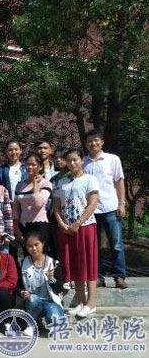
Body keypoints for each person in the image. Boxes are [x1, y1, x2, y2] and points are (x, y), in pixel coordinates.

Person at [53, 148, 99, 318]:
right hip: (66, 229)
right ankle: (80, 301)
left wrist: (78, 223)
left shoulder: (90, 179)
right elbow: (56, 207)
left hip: (85, 227)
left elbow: (92, 204)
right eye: (69, 160)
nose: (72, 163)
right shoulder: (61, 182)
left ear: (81, 160)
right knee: (74, 263)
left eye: (75, 159)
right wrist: (62, 224)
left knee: (89, 263)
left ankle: (91, 303)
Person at [82, 129, 128, 289]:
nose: (93, 143)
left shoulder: (112, 159)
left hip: (110, 207)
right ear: (86, 144)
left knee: (116, 243)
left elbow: (119, 181)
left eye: (96, 140)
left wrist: (121, 203)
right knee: (94, 245)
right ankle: (98, 276)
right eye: (90, 141)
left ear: (101, 142)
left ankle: (119, 276)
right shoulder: (83, 162)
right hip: (91, 210)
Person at [19, 231, 64, 337]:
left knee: (56, 326)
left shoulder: (53, 263)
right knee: (32, 299)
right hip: (33, 302)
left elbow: (59, 289)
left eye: (36, 244)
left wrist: (51, 279)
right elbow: (18, 286)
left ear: (42, 244)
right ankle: (31, 325)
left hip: (51, 302)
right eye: (30, 246)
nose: (34, 248)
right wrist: (22, 292)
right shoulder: (23, 263)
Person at [12, 154, 53, 254]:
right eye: (28, 164)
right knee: (27, 256)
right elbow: (16, 210)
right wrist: (16, 229)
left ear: (40, 166)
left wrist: (35, 185)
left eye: (33, 165)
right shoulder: (19, 185)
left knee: (40, 256)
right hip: (24, 226)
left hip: (40, 225)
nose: (30, 167)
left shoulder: (45, 183)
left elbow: (39, 203)